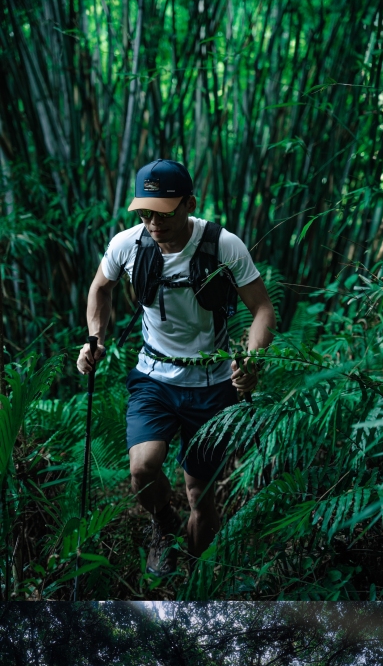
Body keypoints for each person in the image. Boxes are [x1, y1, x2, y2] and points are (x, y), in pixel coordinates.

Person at [77, 158, 276, 575]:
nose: (153, 223)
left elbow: (262, 308)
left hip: (212, 382)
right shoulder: (127, 245)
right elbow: (100, 287)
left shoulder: (222, 245)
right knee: (142, 468)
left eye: (164, 212)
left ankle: (194, 582)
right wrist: (95, 337)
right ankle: (163, 525)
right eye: (145, 212)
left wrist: (252, 358)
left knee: (200, 494)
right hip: (154, 377)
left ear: (189, 203)